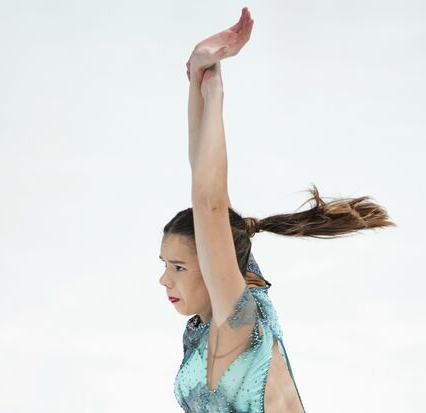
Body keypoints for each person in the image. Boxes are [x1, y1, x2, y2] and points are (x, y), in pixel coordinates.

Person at [158, 6, 395, 413]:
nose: (164, 280)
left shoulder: (239, 323)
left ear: (217, 267)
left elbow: (210, 204)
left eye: (178, 267)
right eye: (166, 264)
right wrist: (200, 76)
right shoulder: (215, 319)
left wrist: (215, 97)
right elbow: (208, 187)